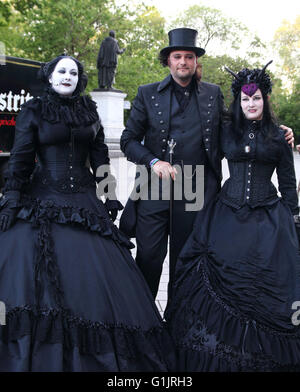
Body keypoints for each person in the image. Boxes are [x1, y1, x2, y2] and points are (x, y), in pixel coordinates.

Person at [0, 54, 175, 372]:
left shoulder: (89, 111)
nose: (67, 76)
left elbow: (100, 160)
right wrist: (12, 198)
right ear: (50, 76)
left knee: (99, 279)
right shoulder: (33, 110)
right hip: (42, 197)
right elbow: (21, 158)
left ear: (79, 79)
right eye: (61, 71)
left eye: (73, 72)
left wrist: (109, 197)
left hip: (84, 201)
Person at [119, 28, 294, 301]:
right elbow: (128, 140)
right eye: (177, 56)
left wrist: (273, 132)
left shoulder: (212, 94)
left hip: (196, 188)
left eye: (189, 57)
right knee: (149, 258)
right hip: (154, 189)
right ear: (168, 60)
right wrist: (153, 161)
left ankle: (176, 325)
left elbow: (235, 125)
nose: (183, 62)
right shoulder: (147, 93)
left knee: (185, 260)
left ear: (196, 61)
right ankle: (144, 325)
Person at [164, 62, 300, 371]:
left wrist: (294, 223)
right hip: (225, 214)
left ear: (265, 100)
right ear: (238, 102)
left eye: (256, 98)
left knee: (268, 284)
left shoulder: (279, 138)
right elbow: (197, 149)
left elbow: (289, 186)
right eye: (245, 99)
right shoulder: (226, 130)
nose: (251, 104)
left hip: (268, 218)